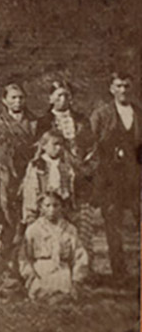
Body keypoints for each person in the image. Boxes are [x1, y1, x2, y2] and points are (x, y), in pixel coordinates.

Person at [36, 81, 97, 255]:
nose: (63, 99)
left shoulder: (82, 120)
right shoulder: (44, 122)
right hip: (54, 182)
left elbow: (92, 148)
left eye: (66, 96)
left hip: (81, 181)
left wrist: (85, 168)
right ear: (51, 99)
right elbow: (39, 152)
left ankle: (84, 270)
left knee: (82, 226)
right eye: (59, 96)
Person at [90, 72, 141, 282]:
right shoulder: (101, 115)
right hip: (110, 180)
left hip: (136, 178)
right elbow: (90, 146)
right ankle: (119, 273)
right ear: (111, 89)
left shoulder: (139, 113)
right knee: (113, 225)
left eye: (127, 86)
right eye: (118, 86)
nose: (123, 90)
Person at [0, 84, 39, 247]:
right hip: (7, 176)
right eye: (13, 98)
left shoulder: (34, 123)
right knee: (8, 214)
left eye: (21, 98)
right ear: (4, 100)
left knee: (31, 212)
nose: (18, 101)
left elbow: (40, 147)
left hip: (30, 174)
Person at [19, 193, 89, 300]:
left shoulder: (70, 229)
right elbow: (24, 257)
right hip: (40, 271)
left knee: (65, 295)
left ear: (62, 207)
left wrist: (76, 280)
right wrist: (31, 277)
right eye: (47, 206)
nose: (52, 209)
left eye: (56, 205)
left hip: (62, 270)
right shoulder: (33, 229)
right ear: (41, 208)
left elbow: (80, 256)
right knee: (42, 293)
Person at [22, 130, 76, 225]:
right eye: (55, 144)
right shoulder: (37, 165)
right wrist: (31, 215)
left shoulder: (66, 166)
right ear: (44, 146)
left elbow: (71, 189)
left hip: (62, 212)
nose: (58, 148)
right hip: (42, 212)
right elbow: (30, 193)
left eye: (61, 144)